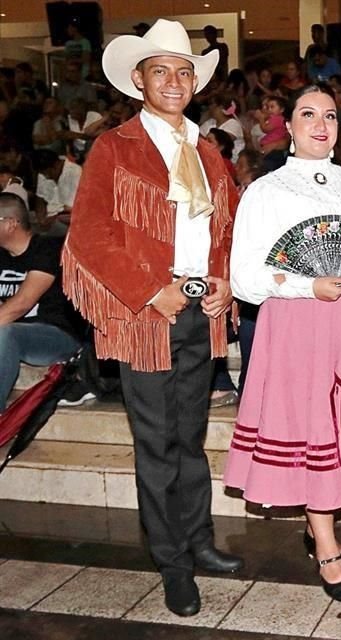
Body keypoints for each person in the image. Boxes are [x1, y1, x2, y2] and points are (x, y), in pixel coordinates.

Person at [62, 19, 243, 618]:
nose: (173, 80)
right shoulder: (115, 147)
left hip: (200, 313)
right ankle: (172, 563)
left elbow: (225, 232)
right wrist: (148, 291)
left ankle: (198, 542)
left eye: (183, 71)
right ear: (138, 80)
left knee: (190, 440)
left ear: (196, 82)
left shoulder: (209, 150)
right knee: (157, 446)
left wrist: (223, 282)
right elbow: (89, 236)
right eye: (160, 70)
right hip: (146, 318)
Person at [224, 83, 341, 603]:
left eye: (329, 115)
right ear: (290, 125)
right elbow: (244, 278)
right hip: (300, 321)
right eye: (308, 114)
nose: (321, 124)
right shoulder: (267, 191)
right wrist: (309, 285)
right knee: (313, 425)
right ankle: (325, 539)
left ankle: (320, 521)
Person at [0, 193, 83, 408]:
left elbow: (23, 303)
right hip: (13, 332)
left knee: (7, 332)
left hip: (55, 334)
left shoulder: (48, 248)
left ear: (10, 224)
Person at [199, 94, 245, 163]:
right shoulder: (210, 122)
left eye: (213, 105)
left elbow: (222, 143)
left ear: (221, 107)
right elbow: (199, 139)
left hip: (229, 162)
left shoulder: (233, 124)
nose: (210, 107)